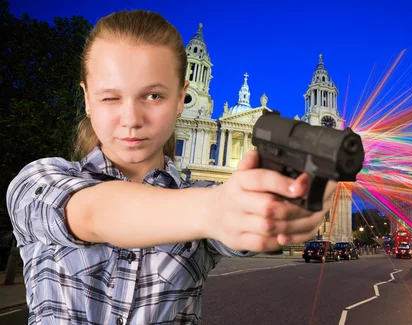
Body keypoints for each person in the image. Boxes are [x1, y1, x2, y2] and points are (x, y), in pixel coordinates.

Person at [6, 10, 336, 325]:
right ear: (88, 100)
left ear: (181, 99)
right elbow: (91, 212)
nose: (131, 119)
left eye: (153, 96)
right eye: (110, 97)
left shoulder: (203, 196)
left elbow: (245, 230)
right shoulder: (39, 180)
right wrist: (215, 210)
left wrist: (287, 202)